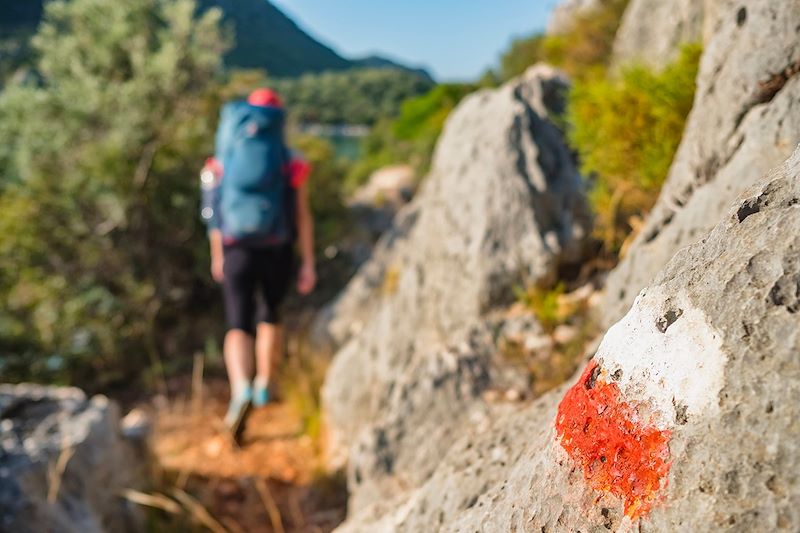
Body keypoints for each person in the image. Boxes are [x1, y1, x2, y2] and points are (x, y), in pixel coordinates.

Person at [200, 88, 316, 441]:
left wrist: (217, 255)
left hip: (235, 247)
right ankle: (265, 383)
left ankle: (240, 388)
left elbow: (212, 214)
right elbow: (302, 216)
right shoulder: (291, 161)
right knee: (270, 315)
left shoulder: (218, 162)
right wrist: (308, 261)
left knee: (238, 322)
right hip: (276, 247)